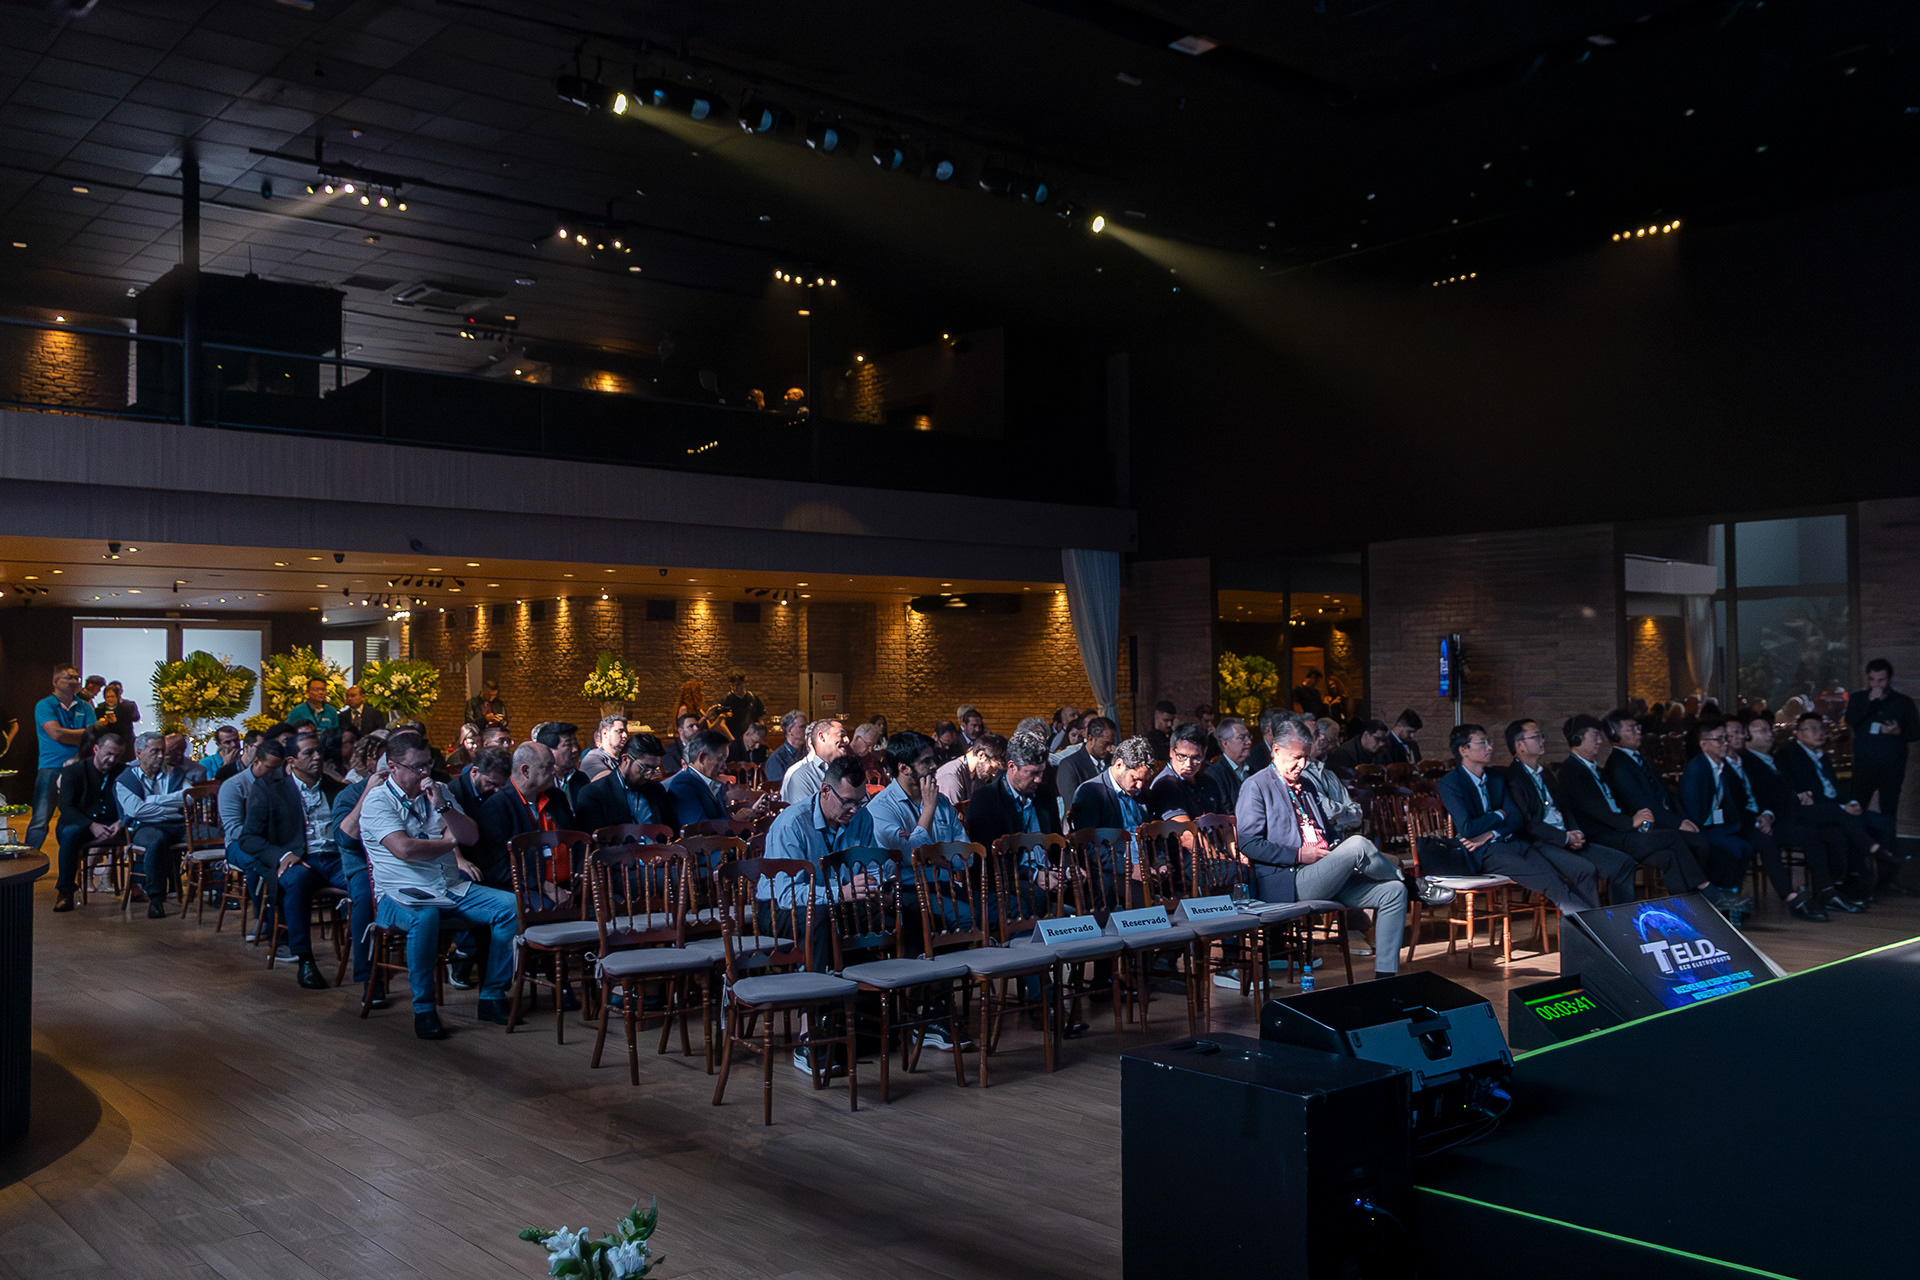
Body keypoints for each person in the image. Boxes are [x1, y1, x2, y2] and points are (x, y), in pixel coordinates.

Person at [1235, 714, 1447, 977]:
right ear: (1276, 751)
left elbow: (1327, 830)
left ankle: (1385, 977)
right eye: (1296, 758)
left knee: (1393, 891)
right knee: (1358, 845)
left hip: (1324, 871)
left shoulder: (1307, 785)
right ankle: (1414, 885)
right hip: (1289, 879)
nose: (1302, 765)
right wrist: (1299, 854)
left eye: (1306, 758)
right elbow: (1249, 843)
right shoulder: (1256, 786)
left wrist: (1335, 849)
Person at [355, 729, 509, 1037]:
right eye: (417, 767)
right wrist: (447, 842)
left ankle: (492, 994)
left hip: (450, 887)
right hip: (399, 895)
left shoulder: (440, 790)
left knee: (510, 907)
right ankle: (424, 1009)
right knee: (425, 917)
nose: (425, 773)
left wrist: (443, 806)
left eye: (428, 764)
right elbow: (405, 850)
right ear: (393, 766)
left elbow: (470, 837)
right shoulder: (377, 801)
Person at [1557, 714, 1744, 911]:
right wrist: (1630, 822)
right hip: (1604, 836)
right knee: (1674, 838)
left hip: (1621, 831)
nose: (1600, 741)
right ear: (1577, 739)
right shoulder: (1571, 771)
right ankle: (1708, 892)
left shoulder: (1594, 768)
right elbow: (1593, 809)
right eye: (1594, 736)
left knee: (1669, 856)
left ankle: (1686, 908)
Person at [1436, 725, 1599, 914]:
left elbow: (1516, 819)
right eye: (1483, 743)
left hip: (1513, 842)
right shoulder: (1451, 783)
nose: (1490, 747)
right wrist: (1499, 814)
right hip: (1484, 852)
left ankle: (1592, 923)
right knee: (1551, 882)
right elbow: (1468, 829)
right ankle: (1592, 926)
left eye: (1489, 742)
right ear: (1464, 750)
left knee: (1558, 876)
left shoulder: (1496, 778)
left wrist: (1492, 832)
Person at [240, 735, 344, 989]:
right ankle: (305, 959)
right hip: (299, 859)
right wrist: (284, 855)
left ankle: (369, 962)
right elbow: (248, 838)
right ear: (291, 761)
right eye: (309, 753)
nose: (318, 757)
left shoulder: (334, 787)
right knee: (296, 881)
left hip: (335, 859)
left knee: (366, 881)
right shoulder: (269, 787)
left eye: (319, 751)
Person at [1502, 719, 1637, 907]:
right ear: (1520, 745)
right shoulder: (1512, 778)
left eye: (1542, 736)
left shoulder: (1546, 773)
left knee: (1623, 863)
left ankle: (1623, 918)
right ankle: (1588, 923)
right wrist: (1564, 838)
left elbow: (1565, 807)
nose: (1542, 740)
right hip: (1540, 843)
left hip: (1566, 837)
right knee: (1585, 870)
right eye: (1536, 736)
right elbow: (1529, 824)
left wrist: (1575, 831)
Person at [1738, 714, 1856, 915]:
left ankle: (1830, 888)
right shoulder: (1746, 762)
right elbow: (1761, 796)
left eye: (1770, 729)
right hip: (1775, 819)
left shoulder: (1776, 759)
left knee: (1832, 830)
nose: (1770, 734)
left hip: (1790, 813)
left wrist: (1800, 794)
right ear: (1747, 736)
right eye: (1763, 731)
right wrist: (1772, 811)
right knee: (1828, 817)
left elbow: (1788, 787)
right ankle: (1871, 851)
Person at [1777, 712, 1886, 902]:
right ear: (1799, 733)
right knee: (1842, 821)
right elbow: (1808, 794)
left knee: (1855, 823)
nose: (1820, 733)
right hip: (1808, 811)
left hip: (1830, 809)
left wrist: (1849, 802)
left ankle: (1851, 881)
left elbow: (1833, 791)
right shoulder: (1791, 755)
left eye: (1822, 729)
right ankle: (1870, 859)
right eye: (1813, 729)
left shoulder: (1824, 757)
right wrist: (1841, 806)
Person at [475, 742, 574, 892]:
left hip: (569, 882)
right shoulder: (497, 806)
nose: (554, 770)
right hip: (527, 889)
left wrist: (580, 875)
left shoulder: (556, 797)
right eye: (547, 767)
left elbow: (574, 839)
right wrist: (541, 885)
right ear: (526, 771)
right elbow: (497, 867)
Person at [115, 731, 193, 917]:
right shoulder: (126, 780)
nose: (160, 756)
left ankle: (219, 892)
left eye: (163, 751)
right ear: (139, 753)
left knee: (210, 835)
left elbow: (189, 797)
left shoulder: (174, 773)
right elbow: (136, 811)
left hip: (178, 825)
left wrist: (154, 800)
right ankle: (156, 899)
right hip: (144, 827)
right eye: (155, 751)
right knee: (156, 842)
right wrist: (172, 809)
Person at [51, 732, 125, 912]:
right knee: (70, 834)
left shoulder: (123, 771)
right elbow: (66, 807)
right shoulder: (73, 771)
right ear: (96, 749)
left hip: (113, 822)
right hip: (81, 821)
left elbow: (132, 802)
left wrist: (122, 821)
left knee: (143, 828)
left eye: (117, 756)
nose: (111, 759)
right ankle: (65, 891)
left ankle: (138, 885)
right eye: (108, 753)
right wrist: (90, 825)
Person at [1846, 659, 1918, 832]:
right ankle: (1858, 844)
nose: (1877, 684)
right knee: (1857, 804)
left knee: (1889, 807)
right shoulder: (1858, 698)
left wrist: (1899, 732)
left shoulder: (1902, 702)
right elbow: (1851, 720)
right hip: (1864, 762)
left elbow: (1916, 732)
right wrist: (1869, 702)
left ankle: (1887, 844)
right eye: (1872, 679)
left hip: (1891, 763)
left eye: (1881, 680)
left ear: (1889, 678)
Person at [869, 729, 966, 853]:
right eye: (926, 761)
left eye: (933, 759)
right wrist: (929, 808)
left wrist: (943, 858)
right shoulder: (881, 809)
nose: (934, 765)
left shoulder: (941, 800)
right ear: (904, 768)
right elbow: (908, 857)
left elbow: (965, 853)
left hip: (946, 866)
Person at [27, 665, 91, 852]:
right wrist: (81, 734)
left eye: (77, 678)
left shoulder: (85, 706)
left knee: (74, 816)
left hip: (78, 766)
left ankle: (70, 858)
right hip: (51, 766)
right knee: (40, 818)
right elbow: (56, 734)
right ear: (55, 682)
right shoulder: (44, 705)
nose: (75, 681)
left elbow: (93, 734)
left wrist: (67, 734)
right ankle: (29, 860)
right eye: (69, 677)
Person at [962, 731, 1058, 848]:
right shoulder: (985, 799)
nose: (1039, 780)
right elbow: (985, 852)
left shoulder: (1044, 793)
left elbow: (1057, 839)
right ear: (1012, 766)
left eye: (1042, 772)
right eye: (1033, 773)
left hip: (1046, 859)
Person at [575, 734, 672, 834]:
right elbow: (591, 839)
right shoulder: (594, 793)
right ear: (625, 759)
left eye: (654, 769)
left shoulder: (656, 790)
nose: (649, 775)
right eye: (645, 768)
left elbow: (669, 830)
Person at [1069, 735, 1153, 832]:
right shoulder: (1090, 793)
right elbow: (1087, 837)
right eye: (1135, 778)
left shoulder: (1143, 793)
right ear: (1119, 765)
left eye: (1144, 780)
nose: (1139, 786)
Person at [1301, 717, 1364, 837]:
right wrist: (1344, 812)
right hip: (1320, 841)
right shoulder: (1299, 775)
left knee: (1363, 843)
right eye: (1316, 735)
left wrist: (1336, 820)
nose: (1322, 738)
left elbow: (1357, 815)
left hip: (1342, 839)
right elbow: (1327, 812)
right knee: (1361, 843)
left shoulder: (1329, 773)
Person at [664, 728, 735, 824]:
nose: (724, 766)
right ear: (702, 758)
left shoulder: (712, 783)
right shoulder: (683, 785)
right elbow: (697, 827)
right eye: (720, 759)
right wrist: (736, 822)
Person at [779, 717, 850, 805]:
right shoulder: (802, 776)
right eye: (841, 735)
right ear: (822, 737)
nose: (847, 740)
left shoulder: (848, 770)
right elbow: (805, 812)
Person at [1146, 723, 1208, 820]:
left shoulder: (1207, 781)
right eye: (1182, 756)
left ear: (1204, 754)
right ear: (1171, 752)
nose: (1188, 764)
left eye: (1196, 758)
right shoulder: (1166, 785)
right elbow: (1183, 827)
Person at [1197, 716, 1254, 815]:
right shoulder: (1215, 775)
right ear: (1225, 743)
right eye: (1242, 738)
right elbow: (1225, 812)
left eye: (1249, 737)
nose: (1248, 742)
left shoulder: (1253, 770)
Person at [935, 732, 1006, 806]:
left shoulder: (974, 774)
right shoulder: (950, 778)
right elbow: (952, 813)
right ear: (981, 755)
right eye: (993, 768)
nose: (994, 774)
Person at [533, 722, 588, 808]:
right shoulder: (538, 784)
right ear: (549, 751)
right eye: (568, 745)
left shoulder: (581, 779)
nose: (575, 750)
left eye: (575, 743)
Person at [763, 710, 808, 785]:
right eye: (802, 727)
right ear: (789, 730)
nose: (807, 730)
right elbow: (778, 787)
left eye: (807, 726)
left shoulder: (808, 752)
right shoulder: (777, 759)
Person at [580, 715, 628, 780]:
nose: (625, 735)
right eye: (620, 731)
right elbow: (610, 782)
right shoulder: (592, 759)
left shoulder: (624, 758)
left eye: (626, 732)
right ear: (605, 733)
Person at [719, 675, 765, 740]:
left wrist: (759, 736)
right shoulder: (726, 699)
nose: (735, 688)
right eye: (732, 685)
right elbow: (721, 723)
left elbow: (759, 720)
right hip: (732, 737)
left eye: (738, 685)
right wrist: (732, 739)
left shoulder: (753, 698)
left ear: (744, 683)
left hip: (750, 738)